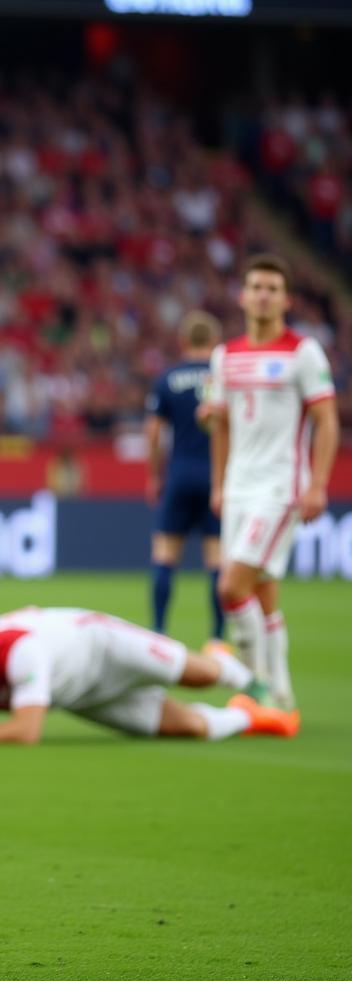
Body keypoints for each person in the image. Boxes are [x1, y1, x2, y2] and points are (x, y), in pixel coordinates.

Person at [200, 253, 338, 710]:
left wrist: (317, 484)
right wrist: (219, 485)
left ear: (286, 299)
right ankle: (281, 692)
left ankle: (254, 683)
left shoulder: (303, 352)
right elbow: (220, 423)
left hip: (280, 487)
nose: (263, 295)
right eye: (256, 286)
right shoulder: (225, 357)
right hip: (238, 485)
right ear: (242, 296)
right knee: (263, 594)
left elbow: (326, 420)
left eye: (272, 289)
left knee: (230, 587)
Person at [0, 606, 300, 747]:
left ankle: (250, 681)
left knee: (200, 675)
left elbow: (27, 731)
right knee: (188, 727)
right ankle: (251, 714)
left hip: (102, 644)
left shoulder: (17, 651)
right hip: (82, 694)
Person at [145, 311, 224, 641]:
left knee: (165, 553)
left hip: (179, 473)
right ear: (214, 342)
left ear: (183, 341)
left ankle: (159, 632)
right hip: (216, 476)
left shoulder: (168, 378)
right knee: (217, 559)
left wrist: (154, 474)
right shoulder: (224, 378)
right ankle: (218, 639)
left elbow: (153, 433)